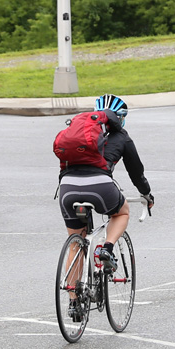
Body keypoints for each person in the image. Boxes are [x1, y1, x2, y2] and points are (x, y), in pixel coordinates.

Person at [57, 94, 154, 286]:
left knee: (76, 244)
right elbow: (136, 172)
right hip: (100, 186)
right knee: (121, 212)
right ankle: (107, 249)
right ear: (120, 118)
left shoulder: (80, 133)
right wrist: (146, 194)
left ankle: (74, 303)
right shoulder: (122, 137)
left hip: (67, 187)